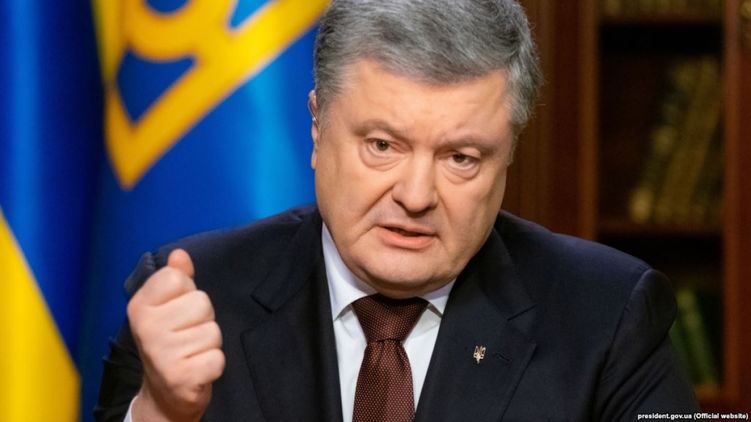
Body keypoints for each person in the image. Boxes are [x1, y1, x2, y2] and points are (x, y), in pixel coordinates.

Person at [95, 0, 700, 421]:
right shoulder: (193, 299)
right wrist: (161, 415)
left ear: (510, 153)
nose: (415, 195)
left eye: (461, 157)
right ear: (317, 126)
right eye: (383, 146)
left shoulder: (607, 317)